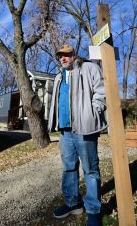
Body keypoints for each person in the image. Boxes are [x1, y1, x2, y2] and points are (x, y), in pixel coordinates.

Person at [47, 44, 107, 226]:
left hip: (84, 128)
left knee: (90, 170)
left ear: (73, 54)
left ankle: (93, 210)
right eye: (60, 56)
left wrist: (95, 111)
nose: (63, 58)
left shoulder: (89, 68)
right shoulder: (59, 77)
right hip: (65, 131)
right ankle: (72, 203)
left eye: (66, 55)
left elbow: (101, 90)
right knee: (69, 168)